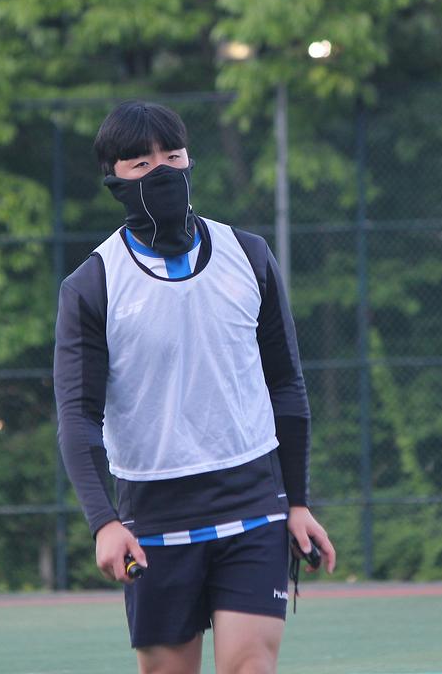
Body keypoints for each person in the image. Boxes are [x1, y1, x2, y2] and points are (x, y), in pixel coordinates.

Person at [54, 100, 336, 674]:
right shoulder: (92, 285)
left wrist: (298, 501)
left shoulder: (249, 256)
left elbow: (286, 385)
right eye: (141, 163)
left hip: (253, 504)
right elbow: (79, 418)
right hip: (154, 519)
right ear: (114, 179)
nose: (162, 171)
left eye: (173, 156)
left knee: (249, 666)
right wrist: (104, 523)